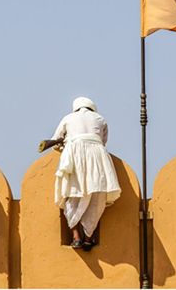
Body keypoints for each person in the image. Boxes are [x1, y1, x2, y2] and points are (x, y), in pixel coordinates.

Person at [49, 97, 121, 250]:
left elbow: (54, 141)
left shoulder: (68, 118)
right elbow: (103, 141)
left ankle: (76, 238)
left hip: (74, 157)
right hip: (97, 157)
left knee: (71, 195)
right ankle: (89, 238)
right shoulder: (100, 119)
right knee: (96, 197)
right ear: (92, 108)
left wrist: (65, 145)